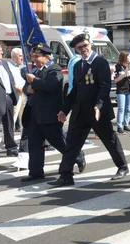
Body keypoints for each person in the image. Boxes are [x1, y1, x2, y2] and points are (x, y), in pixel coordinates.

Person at [48, 33, 129, 187]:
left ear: (90, 44)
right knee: (72, 142)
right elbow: (75, 90)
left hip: (97, 111)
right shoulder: (78, 65)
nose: (84, 49)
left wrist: (98, 106)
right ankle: (66, 175)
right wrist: (64, 110)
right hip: (80, 111)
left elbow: (104, 87)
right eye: (80, 47)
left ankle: (122, 166)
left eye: (85, 45)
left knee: (110, 140)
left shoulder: (100, 62)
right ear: (76, 50)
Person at [21, 43, 85, 181]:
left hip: (48, 114)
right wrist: (29, 88)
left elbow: (51, 86)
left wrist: (34, 82)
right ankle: (35, 172)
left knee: (58, 141)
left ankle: (78, 156)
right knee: (35, 144)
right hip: (34, 113)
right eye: (32, 56)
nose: (34, 59)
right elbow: (26, 87)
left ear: (46, 56)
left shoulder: (54, 69)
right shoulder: (35, 71)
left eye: (36, 56)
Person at [114, 51, 130, 134]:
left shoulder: (129, 66)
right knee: (121, 108)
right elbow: (116, 80)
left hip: (129, 89)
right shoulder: (118, 67)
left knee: (128, 108)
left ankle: (126, 125)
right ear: (124, 57)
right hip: (121, 90)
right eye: (129, 56)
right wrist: (124, 74)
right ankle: (119, 127)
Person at [9, 48, 26, 132]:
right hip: (15, 94)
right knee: (13, 118)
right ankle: (6, 141)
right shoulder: (9, 66)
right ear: (13, 56)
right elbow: (9, 81)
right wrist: (18, 88)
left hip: (24, 94)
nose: (22, 58)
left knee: (25, 118)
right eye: (20, 56)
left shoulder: (22, 66)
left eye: (22, 55)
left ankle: (24, 140)